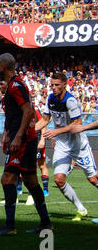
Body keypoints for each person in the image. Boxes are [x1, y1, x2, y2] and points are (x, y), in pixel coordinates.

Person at [0, 53, 51, 236]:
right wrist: (7, 134)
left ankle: (9, 226)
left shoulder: (15, 85)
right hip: (25, 138)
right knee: (30, 180)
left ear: (3, 67)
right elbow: (14, 115)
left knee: (7, 178)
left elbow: (28, 111)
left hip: (23, 140)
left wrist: (17, 137)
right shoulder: (13, 85)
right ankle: (46, 223)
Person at [37, 72, 98, 221]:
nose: (54, 88)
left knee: (93, 179)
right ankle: (81, 209)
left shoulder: (70, 100)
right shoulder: (50, 98)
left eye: (57, 85)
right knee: (58, 179)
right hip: (62, 145)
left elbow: (77, 124)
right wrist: (28, 131)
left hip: (78, 145)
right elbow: (44, 120)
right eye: (52, 85)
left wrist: (57, 131)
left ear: (64, 84)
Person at [16, 102, 50, 205]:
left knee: (41, 164)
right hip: (25, 139)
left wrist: (42, 140)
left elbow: (43, 123)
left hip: (37, 138)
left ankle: (45, 189)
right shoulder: (16, 108)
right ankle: (19, 189)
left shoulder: (33, 108)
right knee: (21, 164)